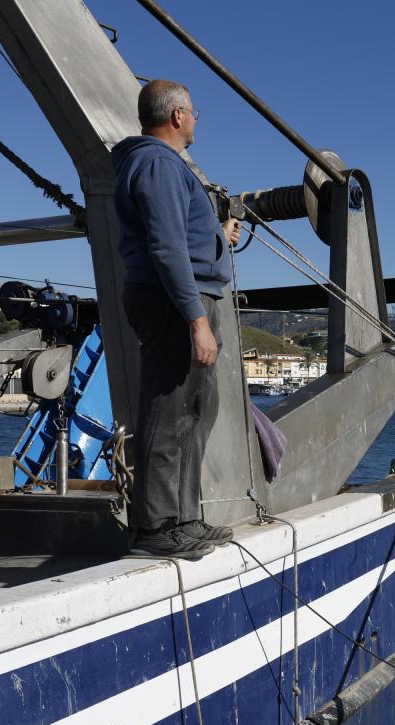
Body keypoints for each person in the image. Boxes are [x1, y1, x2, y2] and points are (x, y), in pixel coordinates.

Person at [111, 79, 242, 559]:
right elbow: (165, 248)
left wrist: (215, 233)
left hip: (185, 296)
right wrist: (195, 319)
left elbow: (179, 234)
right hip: (174, 301)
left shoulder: (159, 166)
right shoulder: (157, 163)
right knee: (168, 413)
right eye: (194, 111)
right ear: (177, 115)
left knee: (197, 413)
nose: (197, 119)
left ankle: (183, 519)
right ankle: (154, 527)